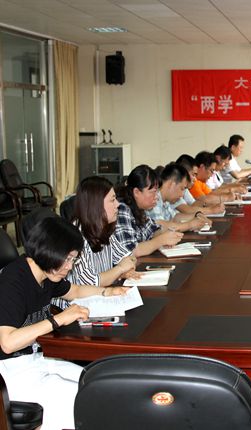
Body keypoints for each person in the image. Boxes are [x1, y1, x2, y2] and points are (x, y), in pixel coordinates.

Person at [0, 216, 128, 430]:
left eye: (73, 260)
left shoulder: (46, 273)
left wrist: (107, 292)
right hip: (10, 373)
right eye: (67, 259)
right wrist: (58, 319)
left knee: (99, 386)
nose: (69, 267)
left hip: (37, 360)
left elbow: (74, 290)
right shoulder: (13, 281)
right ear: (49, 252)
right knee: (87, 403)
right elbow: (7, 342)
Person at [65, 176, 138, 288]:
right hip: (81, 298)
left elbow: (130, 257)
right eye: (112, 200)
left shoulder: (105, 228)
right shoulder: (75, 235)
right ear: (96, 205)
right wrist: (120, 269)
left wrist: (124, 270)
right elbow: (89, 282)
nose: (118, 204)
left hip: (102, 293)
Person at [114, 164, 183, 257]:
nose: (156, 197)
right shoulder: (121, 209)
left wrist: (168, 235)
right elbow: (130, 250)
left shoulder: (138, 208)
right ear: (136, 192)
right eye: (153, 192)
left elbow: (153, 229)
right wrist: (161, 240)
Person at [146, 162, 211, 232]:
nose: (182, 195)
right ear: (171, 184)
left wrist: (196, 215)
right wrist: (189, 225)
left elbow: (175, 217)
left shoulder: (166, 200)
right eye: (182, 189)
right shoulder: (154, 198)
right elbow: (159, 227)